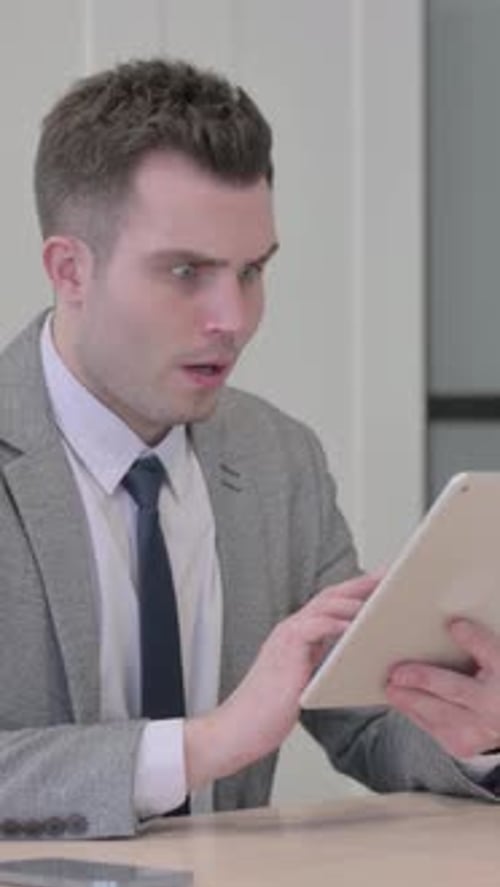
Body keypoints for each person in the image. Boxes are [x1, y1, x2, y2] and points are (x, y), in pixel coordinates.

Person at [0, 57, 499, 842]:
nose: (232, 318)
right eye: (186, 272)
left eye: (252, 271)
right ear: (70, 270)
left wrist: (476, 734)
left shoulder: (279, 461)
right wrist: (203, 746)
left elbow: (365, 722)